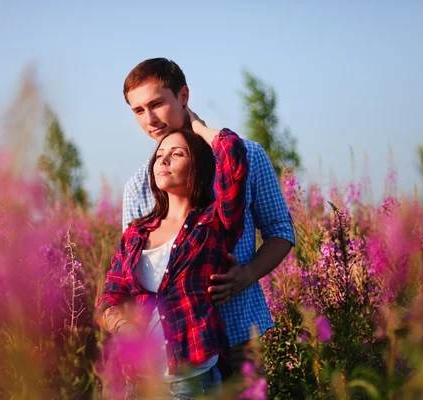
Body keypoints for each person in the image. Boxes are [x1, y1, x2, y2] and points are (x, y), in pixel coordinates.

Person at [121, 58, 296, 377]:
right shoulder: (138, 186)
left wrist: (245, 275)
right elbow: (131, 277)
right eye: (138, 110)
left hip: (239, 337)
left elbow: (281, 232)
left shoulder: (248, 156)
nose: (149, 119)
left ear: (183, 96)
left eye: (157, 103)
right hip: (177, 357)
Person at [97, 114, 248, 398]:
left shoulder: (214, 223)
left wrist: (198, 128)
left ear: (199, 167)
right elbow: (109, 298)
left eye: (177, 154)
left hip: (192, 382)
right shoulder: (136, 233)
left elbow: (232, 152)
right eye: (159, 155)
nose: (163, 161)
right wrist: (121, 325)